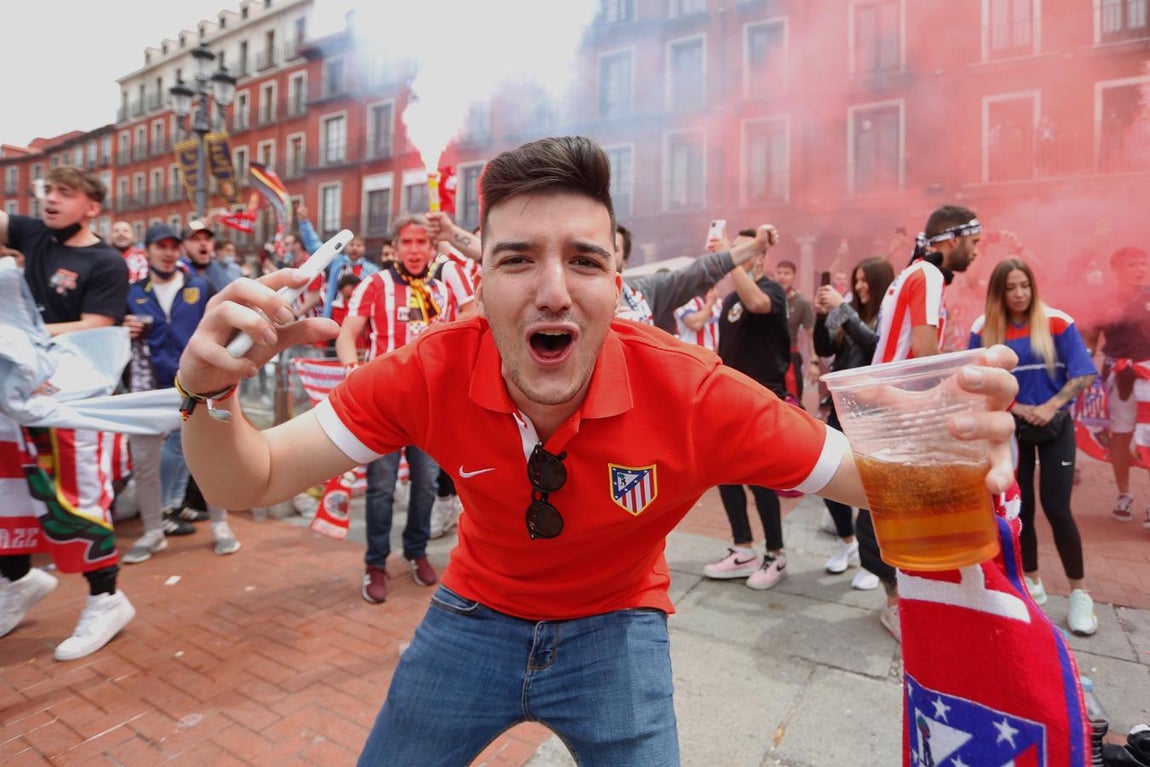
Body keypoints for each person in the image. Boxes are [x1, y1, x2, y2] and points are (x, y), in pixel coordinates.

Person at [175, 136, 1019, 764]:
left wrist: (956, 447)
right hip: (470, 620)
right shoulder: (426, 370)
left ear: (618, 284)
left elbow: (880, 479)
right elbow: (253, 476)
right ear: (479, 283)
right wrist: (207, 392)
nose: (552, 289)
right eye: (516, 259)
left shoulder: (693, 391)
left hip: (616, 632)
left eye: (582, 260)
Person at [0, 166, 136, 661]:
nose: (51, 200)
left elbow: (96, 325)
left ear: (91, 207)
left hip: (75, 401)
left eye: (65, 193)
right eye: (48, 191)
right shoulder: (35, 234)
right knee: (10, 491)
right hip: (20, 393)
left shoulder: (106, 262)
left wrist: (22, 338)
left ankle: (107, 597)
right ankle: (17, 581)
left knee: (77, 498)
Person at [865, 204, 983, 640]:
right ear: (952, 240)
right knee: (900, 509)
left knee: (892, 507)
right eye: (973, 243)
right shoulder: (929, 275)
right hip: (899, 408)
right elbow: (925, 353)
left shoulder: (912, 272)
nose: (976, 252)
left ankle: (909, 601)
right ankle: (902, 606)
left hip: (886, 405)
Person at [970, 258, 1098, 634]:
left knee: (1058, 508)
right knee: (1018, 510)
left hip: (1055, 425)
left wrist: (1050, 406)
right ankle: (1032, 582)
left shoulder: (1057, 321)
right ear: (998, 292)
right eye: (1010, 287)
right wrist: (1019, 408)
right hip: (1011, 429)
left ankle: (1080, 593)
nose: (1019, 294)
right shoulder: (983, 328)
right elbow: (976, 383)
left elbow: (1083, 373)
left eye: (1024, 285)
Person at [336, 213, 457, 603]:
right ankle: (375, 562)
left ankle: (416, 552)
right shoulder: (374, 285)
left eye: (422, 242)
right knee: (381, 489)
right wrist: (353, 371)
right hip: (384, 408)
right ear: (395, 247)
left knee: (425, 485)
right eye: (408, 242)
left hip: (427, 410)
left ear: (432, 248)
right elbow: (347, 334)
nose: (415, 250)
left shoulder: (442, 291)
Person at [121, 224, 237, 562]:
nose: (168, 253)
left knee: (209, 456)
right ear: (147, 250)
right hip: (147, 389)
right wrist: (123, 328)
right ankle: (153, 531)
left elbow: (222, 330)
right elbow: (113, 333)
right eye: (161, 246)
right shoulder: (132, 293)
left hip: (195, 386)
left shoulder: (199, 287)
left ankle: (220, 524)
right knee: (144, 463)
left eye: (173, 246)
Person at [703, 228, 793, 590]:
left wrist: (730, 258)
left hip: (762, 398)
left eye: (743, 251)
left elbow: (757, 303)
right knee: (725, 475)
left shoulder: (771, 290)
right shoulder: (729, 301)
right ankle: (743, 549)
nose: (734, 256)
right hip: (729, 398)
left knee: (761, 480)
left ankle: (776, 554)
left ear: (759, 255)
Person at [813, 257, 895, 586]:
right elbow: (824, 346)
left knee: (868, 488)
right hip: (840, 407)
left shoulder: (887, 315)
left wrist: (843, 310)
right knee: (828, 475)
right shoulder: (848, 311)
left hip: (872, 413)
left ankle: (870, 559)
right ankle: (846, 542)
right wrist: (823, 315)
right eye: (856, 280)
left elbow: (875, 347)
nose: (859, 287)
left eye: (865, 281)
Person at [1085, 246, 1150, 526]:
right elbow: (1089, 340)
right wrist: (1085, 372)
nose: (1140, 269)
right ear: (1116, 269)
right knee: (1120, 436)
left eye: (1143, 264)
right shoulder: (1103, 300)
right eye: (1132, 265)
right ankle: (1124, 496)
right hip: (1117, 374)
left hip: (1147, 373)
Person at [614, 222, 767, 332]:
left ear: (625, 261)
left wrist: (755, 247)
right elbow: (695, 323)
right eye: (603, 246)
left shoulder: (643, 293)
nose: (605, 252)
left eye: (614, 248)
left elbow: (695, 273)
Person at [774, 259, 816, 405]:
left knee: (792, 402)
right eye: (779, 273)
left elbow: (811, 334)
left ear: (793, 276)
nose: (782, 277)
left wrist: (814, 362)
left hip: (791, 356)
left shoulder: (802, 303)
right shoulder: (768, 299)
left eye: (786, 273)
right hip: (769, 357)